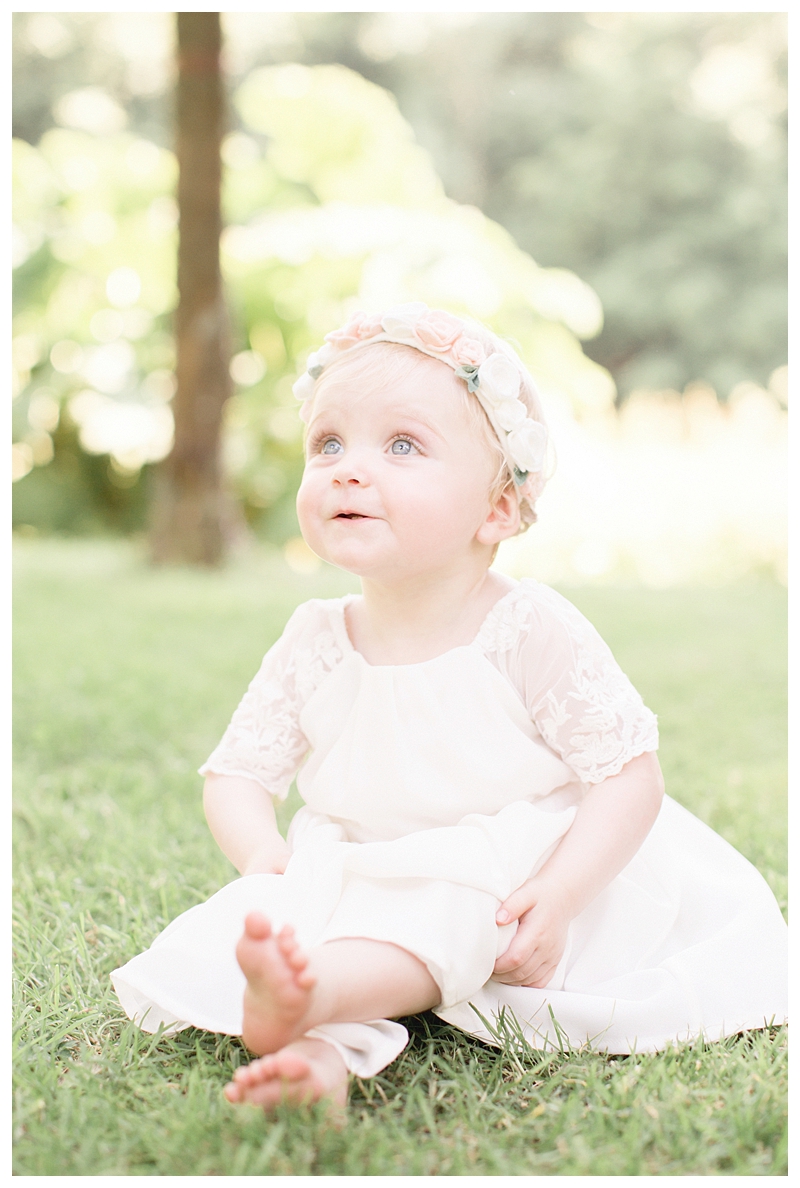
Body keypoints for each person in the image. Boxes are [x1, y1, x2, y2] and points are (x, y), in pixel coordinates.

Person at [111, 303, 787, 1112]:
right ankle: (320, 1055)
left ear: (497, 507)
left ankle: (317, 994)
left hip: (512, 864)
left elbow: (629, 778)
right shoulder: (316, 640)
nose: (348, 470)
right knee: (279, 915)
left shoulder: (526, 629)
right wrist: (265, 858)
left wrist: (561, 894)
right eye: (329, 443)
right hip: (366, 858)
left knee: (453, 903)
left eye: (402, 445)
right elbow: (237, 775)